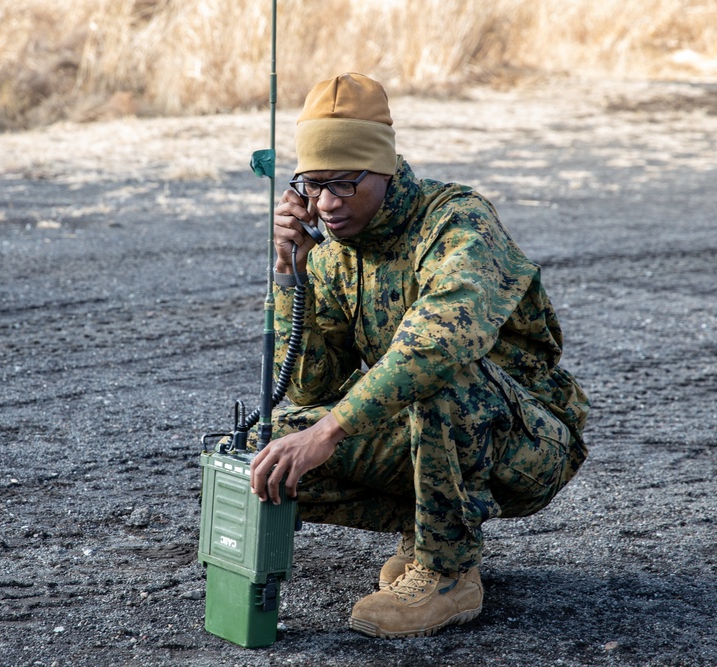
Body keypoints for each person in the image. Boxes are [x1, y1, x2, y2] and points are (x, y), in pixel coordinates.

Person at [248, 73, 590, 639]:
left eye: (344, 183)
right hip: (429, 431)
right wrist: (292, 273)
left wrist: (330, 431)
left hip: (528, 439)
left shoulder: (456, 220)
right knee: (271, 449)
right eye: (310, 185)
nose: (326, 204)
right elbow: (311, 388)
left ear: (383, 170)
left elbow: (438, 344)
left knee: (436, 375)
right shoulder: (333, 254)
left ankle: (448, 574)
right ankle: (432, 529)